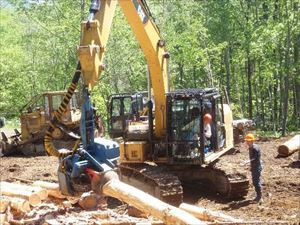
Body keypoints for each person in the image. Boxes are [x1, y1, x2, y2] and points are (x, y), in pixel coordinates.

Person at [244, 133, 263, 203]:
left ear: (252, 141)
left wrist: (248, 161)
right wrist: (250, 165)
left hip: (257, 166)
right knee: (255, 181)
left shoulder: (255, 148)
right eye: (246, 141)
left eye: (248, 141)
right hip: (254, 166)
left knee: (256, 182)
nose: (247, 142)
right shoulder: (251, 147)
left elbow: (256, 158)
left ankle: (259, 197)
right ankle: (258, 195)